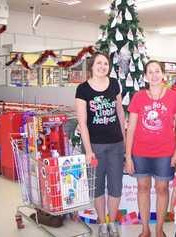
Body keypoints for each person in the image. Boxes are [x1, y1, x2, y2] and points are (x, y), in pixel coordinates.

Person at [125, 60, 176, 237]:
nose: (154, 75)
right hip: (140, 152)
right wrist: (128, 156)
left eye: (157, 71)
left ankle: (159, 229)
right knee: (142, 188)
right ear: (145, 76)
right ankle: (145, 229)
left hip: (165, 153)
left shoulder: (174, 97)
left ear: (163, 74)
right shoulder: (138, 97)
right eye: (150, 72)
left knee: (162, 189)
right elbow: (131, 129)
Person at [75, 52, 125, 237]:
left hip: (116, 145)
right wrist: (88, 150)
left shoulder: (114, 84)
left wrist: (125, 142)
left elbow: (120, 113)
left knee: (115, 185)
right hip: (94, 146)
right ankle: (102, 223)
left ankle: (112, 222)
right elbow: (82, 121)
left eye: (106, 63)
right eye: (99, 63)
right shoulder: (83, 89)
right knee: (96, 187)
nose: (102, 66)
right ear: (92, 66)